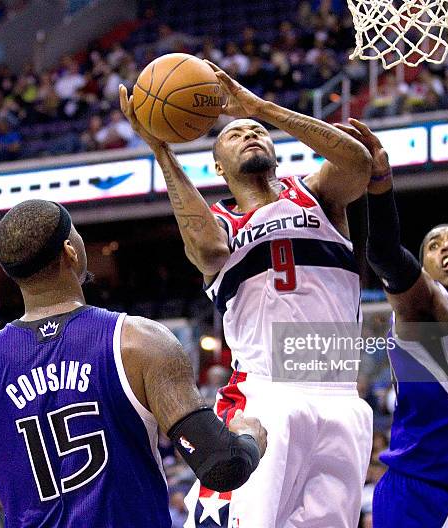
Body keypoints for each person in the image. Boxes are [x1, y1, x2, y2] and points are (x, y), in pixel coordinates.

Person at [120, 59, 374, 528]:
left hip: (342, 398)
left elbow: (360, 164)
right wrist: (162, 152)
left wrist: (263, 108)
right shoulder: (221, 223)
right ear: (217, 165)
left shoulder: (318, 194)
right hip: (266, 395)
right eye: (234, 135)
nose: (250, 134)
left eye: (257, 131)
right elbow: (207, 249)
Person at [0, 200, 266, 528]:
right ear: (70, 251)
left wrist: (1, 451)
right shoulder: (139, 342)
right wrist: (249, 437)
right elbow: (222, 465)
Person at [334, 119, 448, 527]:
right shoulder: (432, 312)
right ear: (427, 271)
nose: (447, 248)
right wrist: (380, 183)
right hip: (424, 494)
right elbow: (385, 254)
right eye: (434, 247)